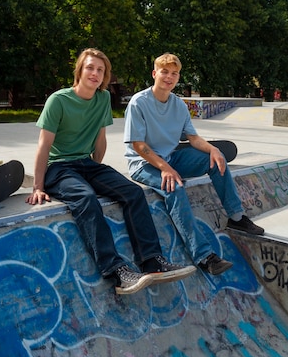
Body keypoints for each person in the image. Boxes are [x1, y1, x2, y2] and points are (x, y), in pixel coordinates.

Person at [26, 48, 195, 295]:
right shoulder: (59, 100)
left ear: (105, 75)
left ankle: (152, 261)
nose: (95, 73)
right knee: (85, 198)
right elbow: (44, 146)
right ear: (80, 71)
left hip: (86, 164)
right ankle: (116, 271)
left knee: (133, 192)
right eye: (90, 68)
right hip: (58, 167)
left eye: (100, 70)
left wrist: (97, 174)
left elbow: (100, 139)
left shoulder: (102, 99)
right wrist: (38, 187)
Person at [124, 53, 265, 277]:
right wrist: (166, 169)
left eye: (174, 73)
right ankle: (204, 256)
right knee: (174, 187)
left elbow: (193, 138)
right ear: (154, 74)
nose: (169, 77)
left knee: (215, 162)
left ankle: (236, 218)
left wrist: (213, 150)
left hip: (171, 159)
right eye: (164, 72)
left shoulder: (178, 105)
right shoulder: (139, 102)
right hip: (144, 164)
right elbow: (139, 146)